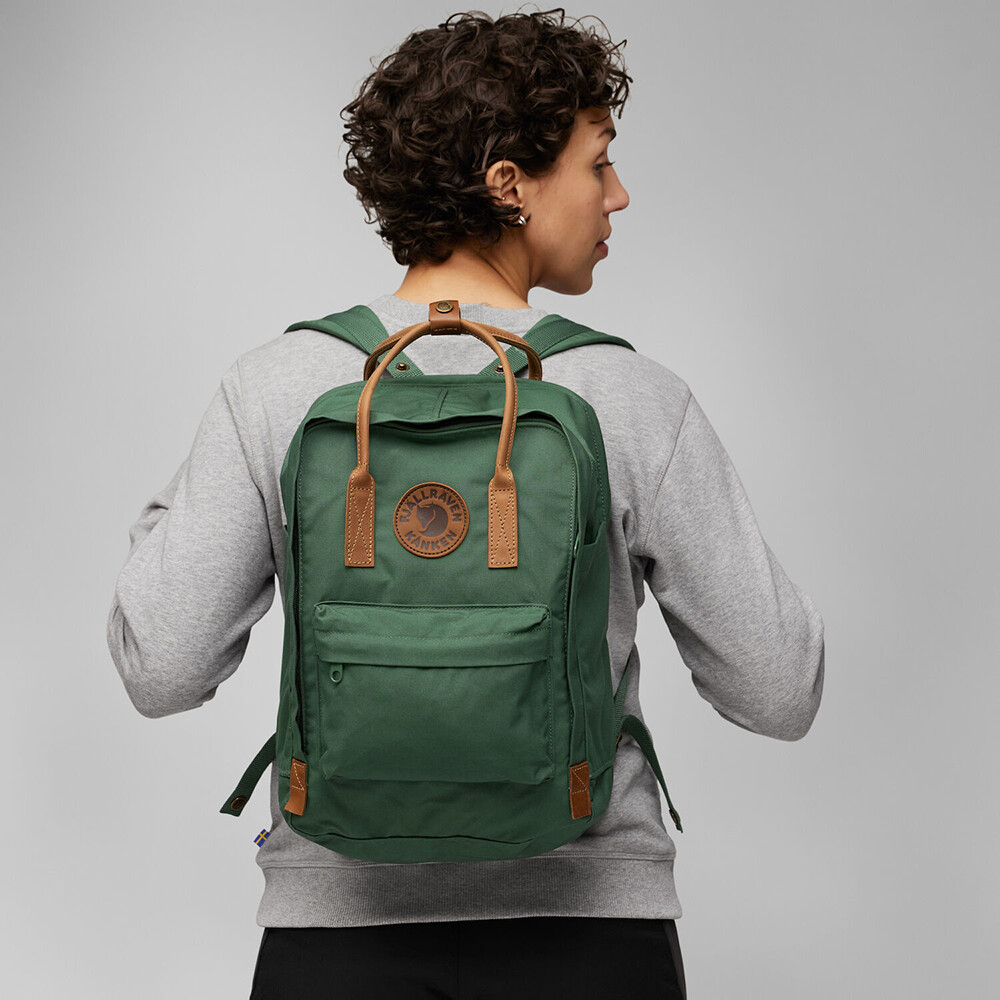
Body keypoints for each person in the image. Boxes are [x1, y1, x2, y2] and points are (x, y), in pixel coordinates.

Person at [107, 8, 825, 998]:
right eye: (598, 163)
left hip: (336, 945)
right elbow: (778, 688)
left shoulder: (274, 387)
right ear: (510, 184)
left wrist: (158, 526)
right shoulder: (631, 395)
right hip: (590, 944)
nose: (618, 194)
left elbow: (161, 667)